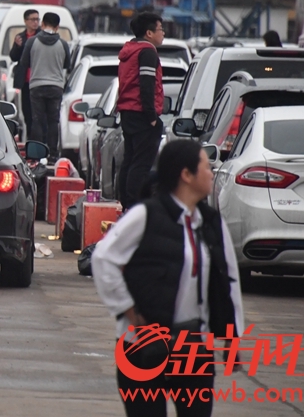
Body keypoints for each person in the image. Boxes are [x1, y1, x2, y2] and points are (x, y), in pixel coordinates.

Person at [92, 140, 244, 417]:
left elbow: (228, 280)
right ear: (186, 175)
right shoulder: (145, 215)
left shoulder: (211, 223)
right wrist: (129, 311)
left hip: (193, 347)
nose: (212, 173)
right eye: (205, 167)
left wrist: (232, 336)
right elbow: (103, 259)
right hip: (142, 344)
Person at [117, 12, 166, 209]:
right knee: (141, 164)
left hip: (128, 111)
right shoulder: (147, 52)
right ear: (149, 33)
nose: (163, 34)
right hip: (141, 113)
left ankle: (127, 202)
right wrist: (151, 115)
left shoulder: (130, 50)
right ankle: (135, 204)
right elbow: (147, 84)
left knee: (130, 160)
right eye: (161, 29)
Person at [18, 12, 70, 163]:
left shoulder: (32, 42)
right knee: (53, 121)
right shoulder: (63, 44)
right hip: (56, 86)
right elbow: (67, 64)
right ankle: (53, 155)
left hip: (36, 86)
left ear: (42, 25)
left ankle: (36, 154)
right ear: (57, 27)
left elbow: (24, 62)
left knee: (37, 120)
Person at [9, 9, 40, 137]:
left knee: (38, 115)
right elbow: (14, 57)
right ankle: (31, 141)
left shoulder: (41, 37)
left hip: (39, 80)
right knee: (27, 114)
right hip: (26, 81)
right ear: (25, 21)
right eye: (32, 19)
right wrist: (17, 46)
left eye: (37, 19)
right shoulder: (20, 37)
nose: (35, 22)